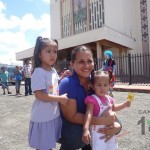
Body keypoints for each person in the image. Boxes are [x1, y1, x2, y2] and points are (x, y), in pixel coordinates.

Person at [59, 45, 122, 150]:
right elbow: (72, 117)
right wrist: (103, 121)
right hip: (68, 126)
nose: (87, 65)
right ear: (72, 64)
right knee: (77, 134)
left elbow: (107, 105)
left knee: (117, 123)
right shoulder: (68, 83)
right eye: (81, 62)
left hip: (89, 120)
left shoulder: (96, 80)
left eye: (89, 61)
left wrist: (116, 124)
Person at [28, 36, 70, 150]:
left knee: (48, 145)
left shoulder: (52, 70)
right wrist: (60, 99)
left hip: (51, 115)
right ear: (39, 54)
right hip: (43, 116)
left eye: (55, 51)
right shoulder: (38, 72)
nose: (53, 55)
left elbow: (53, 84)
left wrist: (62, 76)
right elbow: (40, 95)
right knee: (43, 147)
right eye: (48, 51)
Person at [82, 70, 132, 150]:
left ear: (109, 85)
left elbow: (113, 108)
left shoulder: (109, 99)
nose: (102, 88)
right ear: (92, 86)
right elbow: (89, 114)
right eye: (99, 85)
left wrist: (124, 105)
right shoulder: (92, 99)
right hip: (97, 133)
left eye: (105, 85)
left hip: (110, 130)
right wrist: (86, 129)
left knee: (112, 147)